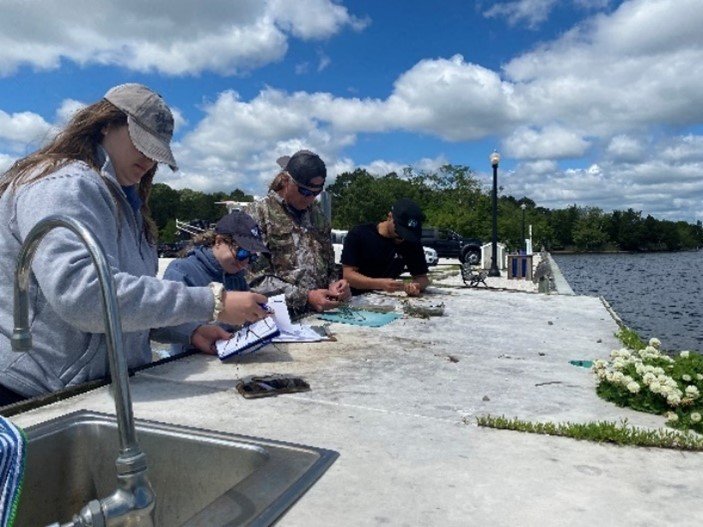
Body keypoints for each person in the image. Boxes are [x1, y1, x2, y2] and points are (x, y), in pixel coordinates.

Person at [0, 83, 268, 406]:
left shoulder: (128, 208)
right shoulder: (63, 185)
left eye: (156, 152)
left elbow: (129, 307)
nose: (149, 160)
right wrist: (214, 303)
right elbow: (85, 297)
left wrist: (189, 332)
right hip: (31, 398)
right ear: (105, 124)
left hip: (89, 393)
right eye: (141, 143)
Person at [247, 150, 351, 314]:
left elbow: (329, 263)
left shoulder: (317, 214)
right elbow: (254, 278)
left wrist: (335, 284)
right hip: (280, 317)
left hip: (323, 314)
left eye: (316, 193)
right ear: (286, 180)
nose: (310, 199)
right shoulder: (258, 214)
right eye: (304, 191)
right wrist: (306, 296)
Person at [162, 210, 268, 355]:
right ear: (219, 241)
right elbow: (167, 320)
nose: (245, 263)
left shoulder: (237, 275)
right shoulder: (181, 270)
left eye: (252, 257)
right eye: (242, 253)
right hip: (191, 360)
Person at [341, 198, 430, 296]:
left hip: (386, 300)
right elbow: (348, 275)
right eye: (399, 232)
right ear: (390, 217)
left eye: (407, 234)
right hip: (354, 296)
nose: (402, 238)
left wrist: (416, 286)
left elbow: (422, 277)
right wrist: (380, 284)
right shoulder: (360, 234)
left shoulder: (411, 241)